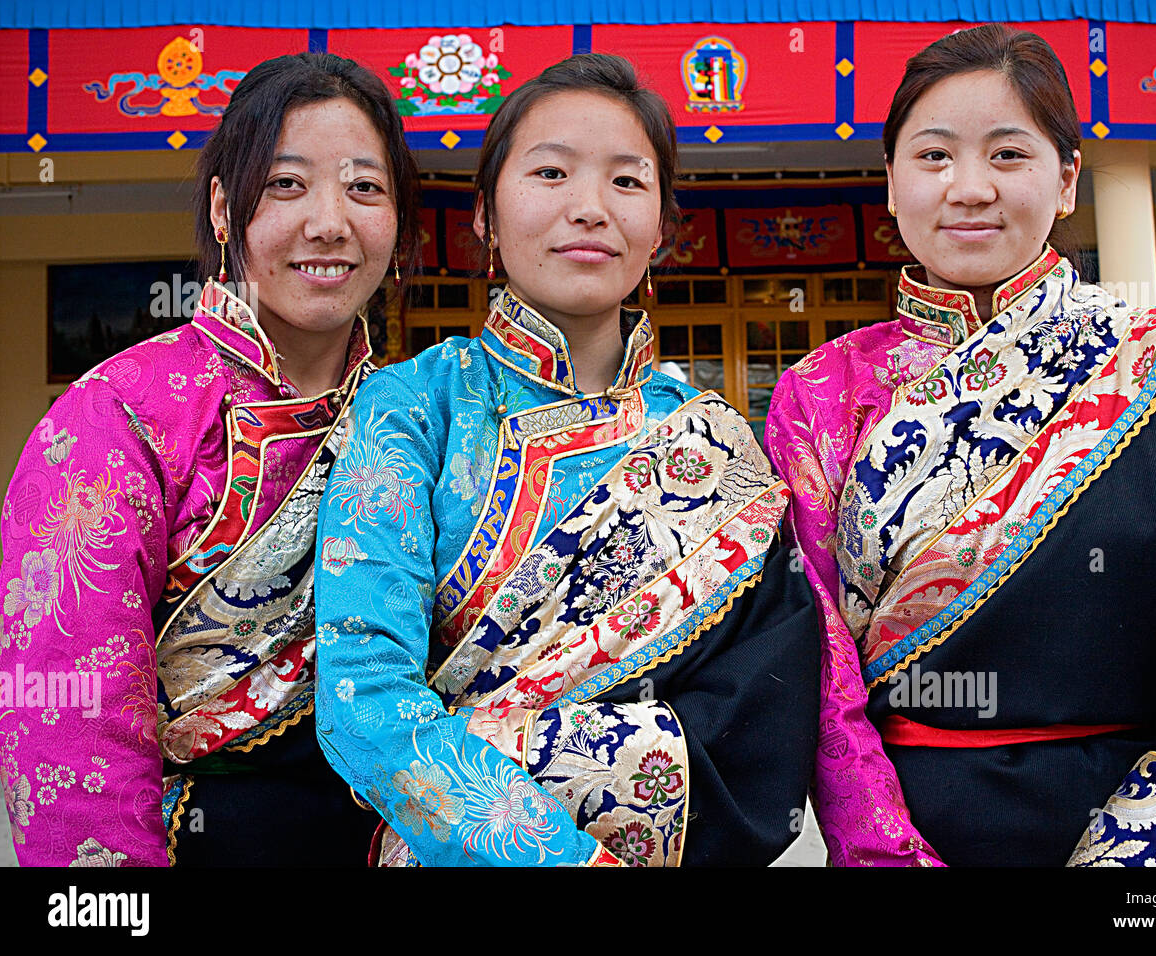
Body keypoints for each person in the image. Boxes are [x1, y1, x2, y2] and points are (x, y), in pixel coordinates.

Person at [765, 24, 1156, 867]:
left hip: (1140, 824)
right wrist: (883, 847)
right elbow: (815, 654)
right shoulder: (822, 391)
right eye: (933, 157)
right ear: (892, 184)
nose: (969, 189)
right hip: (907, 825)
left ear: (1067, 180)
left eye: (1008, 155)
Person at [313, 53, 818, 867]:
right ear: (483, 216)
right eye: (550, 172)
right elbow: (361, 695)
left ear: (661, 225)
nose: (590, 208)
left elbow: (760, 722)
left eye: (627, 181)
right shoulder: (413, 405)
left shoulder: (719, 443)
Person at [0, 52, 422, 865]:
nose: (330, 223)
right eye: (288, 185)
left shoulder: (420, 412)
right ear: (226, 209)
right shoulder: (120, 414)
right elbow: (65, 717)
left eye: (365, 188)